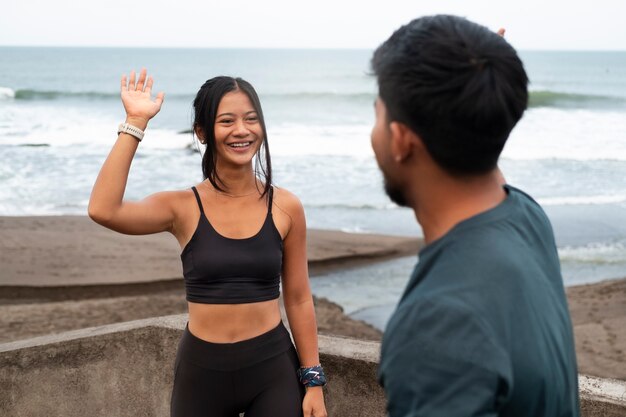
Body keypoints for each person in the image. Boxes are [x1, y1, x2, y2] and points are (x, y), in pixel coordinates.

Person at [370, 15, 580, 417]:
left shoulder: (438, 325)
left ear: (401, 140)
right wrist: (475, 91)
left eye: (378, 113)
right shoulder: (526, 218)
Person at [88, 69, 327, 417]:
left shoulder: (286, 206)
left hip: (272, 369)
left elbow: (298, 297)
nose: (242, 130)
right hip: (201, 373)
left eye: (251, 119)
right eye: (226, 120)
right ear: (202, 132)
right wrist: (135, 122)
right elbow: (103, 209)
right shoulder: (181, 207)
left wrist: (313, 380)